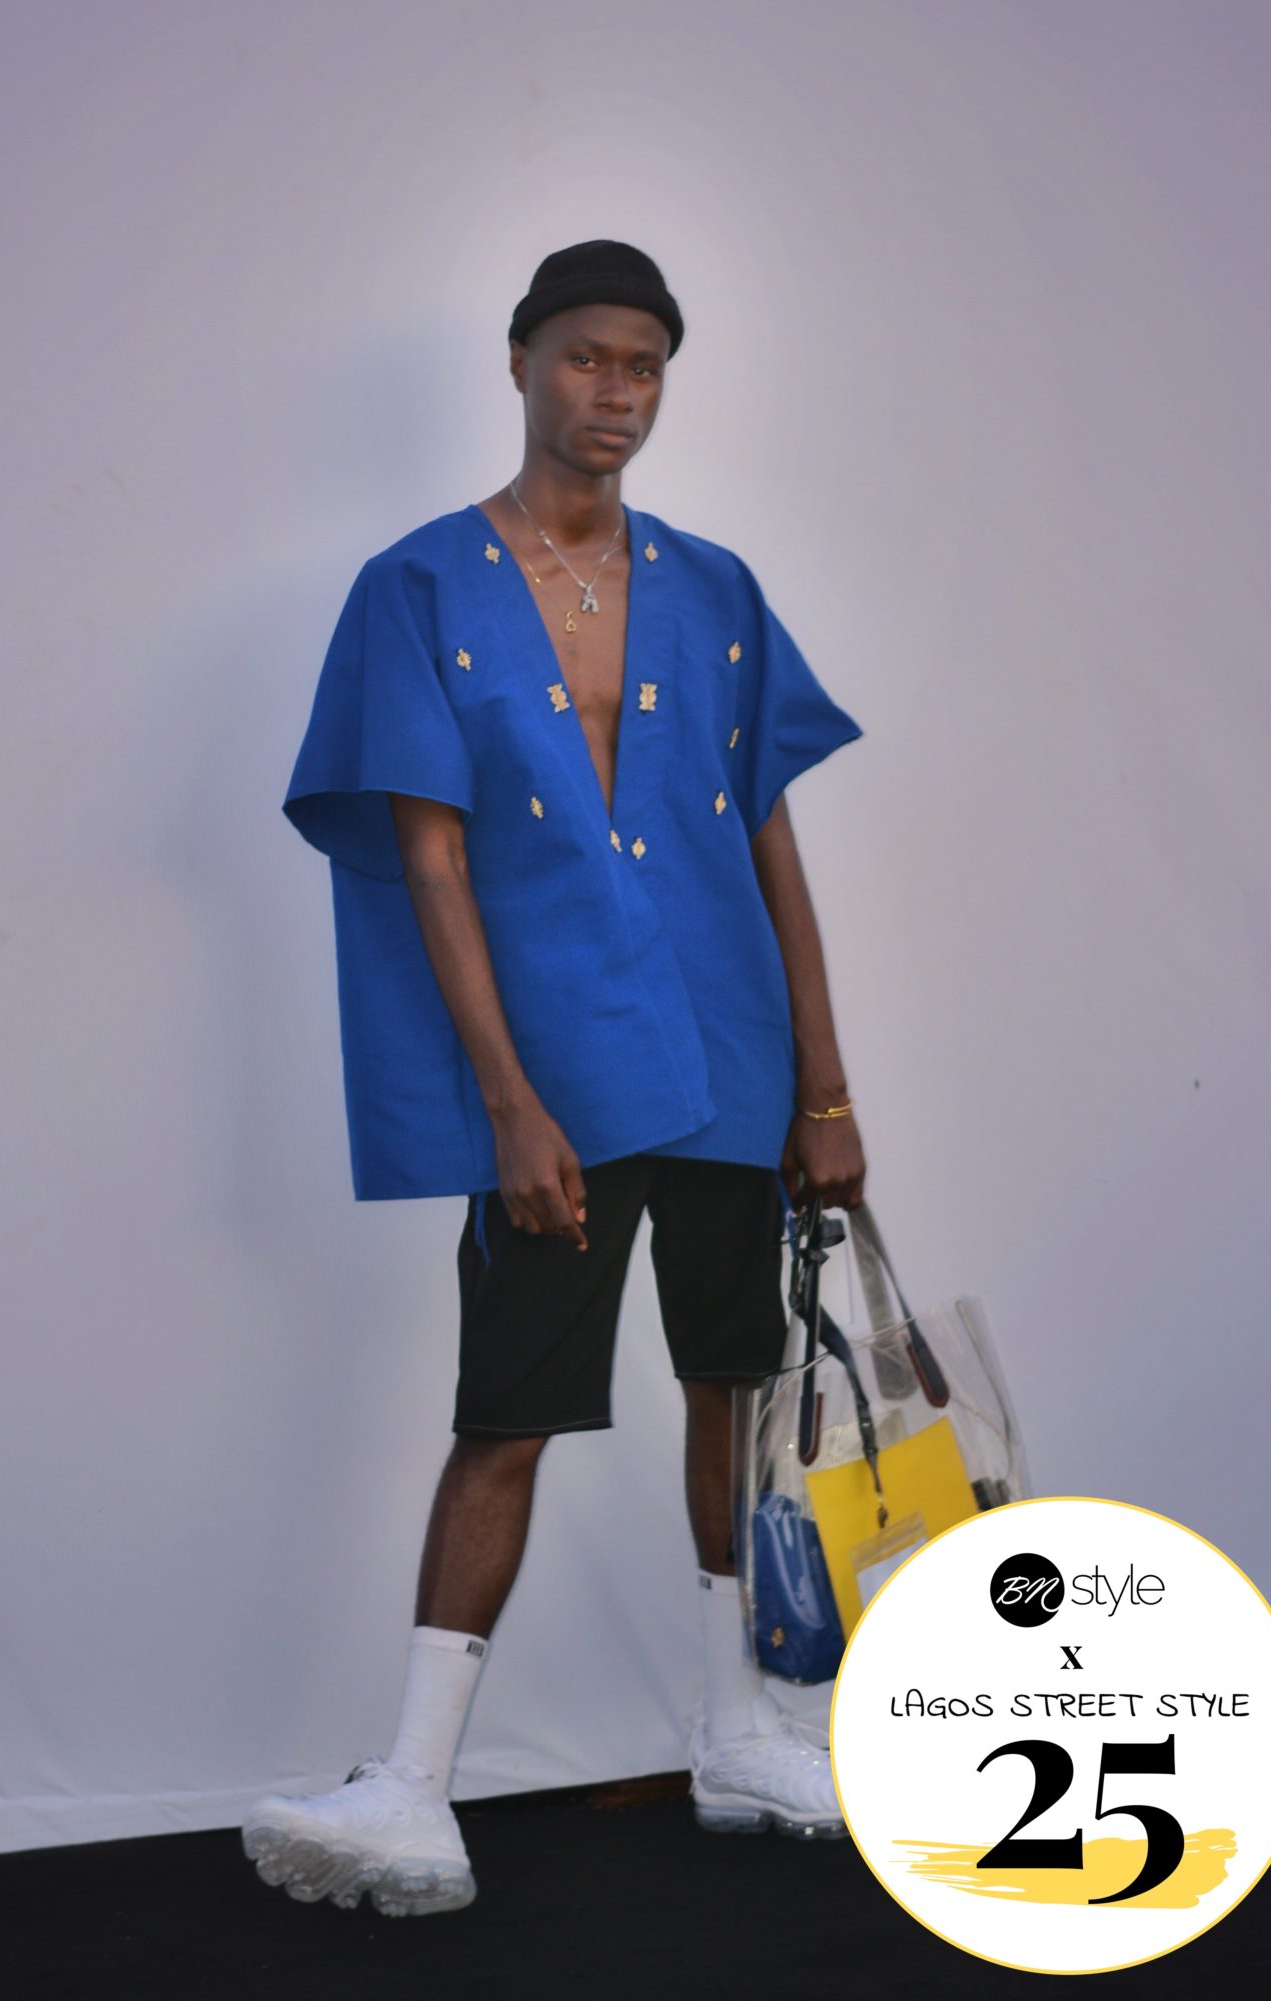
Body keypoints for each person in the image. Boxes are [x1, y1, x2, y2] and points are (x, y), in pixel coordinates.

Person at [244, 241, 867, 1917]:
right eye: (588, 356)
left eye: (646, 364)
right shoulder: (421, 587)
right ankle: (411, 1782)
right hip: (560, 1073)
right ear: (520, 361)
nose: (617, 391)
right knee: (508, 1413)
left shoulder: (715, 588)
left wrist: (823, 1084)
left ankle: (738, 1731)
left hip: (729, 1048)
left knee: (733, 1388)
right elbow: (430, 858)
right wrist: (509, 1103)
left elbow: (769, 836)